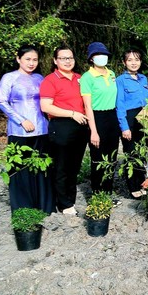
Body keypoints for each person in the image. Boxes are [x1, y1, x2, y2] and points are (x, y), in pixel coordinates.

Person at [0, 45, 54, 213]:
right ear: (18, 59)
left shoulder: (39, 78)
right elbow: (2, 102)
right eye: (28, 59)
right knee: (20, 169)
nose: (31, 63)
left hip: (42, 128)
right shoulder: (9, 78)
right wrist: (21, 120)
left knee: (42, 168)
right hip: (19, 130)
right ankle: (23, 206)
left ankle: (44, 205)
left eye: (35, 60)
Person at [40, 46, 89, 215]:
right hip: (61, 125)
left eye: (70, 58)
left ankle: (70, 199)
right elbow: (46, 106)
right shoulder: (50, 80)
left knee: (74, 167)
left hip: (80, 126)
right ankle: (63, 204)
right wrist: (72, 113)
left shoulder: (80, 78)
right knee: (61, 167)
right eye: (63, 58)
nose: (67, 61)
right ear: (55, 61)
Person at [80, 42, 120, 197]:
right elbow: (88, 106)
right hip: (96, 117)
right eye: (97, 55)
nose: (101, 58)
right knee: (98, 159)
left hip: (112, 116)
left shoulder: (111, 74)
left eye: (103, 55)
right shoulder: (87, 78)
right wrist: (94, 131)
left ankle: (108, 192)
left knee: (111, 158)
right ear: (91, 58)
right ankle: (98, 195)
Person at [115, 49, 148, 198]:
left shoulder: (144, 79)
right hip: (129, 118)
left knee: (143, 153)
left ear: (140, 62)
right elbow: (120, 104)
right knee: (131, 153)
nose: (133, 63)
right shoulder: (120, 80)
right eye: (130, 60)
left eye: (136, 59)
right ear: (124, 62)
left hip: (144, 118)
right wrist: (124, 127)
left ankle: (142, 183)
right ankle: (133, 187)